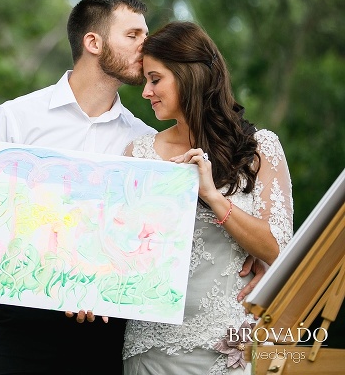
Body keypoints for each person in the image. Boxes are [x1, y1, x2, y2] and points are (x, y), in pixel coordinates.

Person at [0, 0, 266, 375]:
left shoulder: (147, 142)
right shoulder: (15, 118)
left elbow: (166, 238)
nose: (146, 44)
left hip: (103, 338)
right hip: (14, 328)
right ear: (93, 43)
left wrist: (249, 254)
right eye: (133, 34)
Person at [121, 21, 294, 375]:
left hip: (232, 348)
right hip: (154, 351)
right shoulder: (138, 155)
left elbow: (279, 249)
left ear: (189, 76)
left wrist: (213, 197)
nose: (146, 92)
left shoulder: (259, 148)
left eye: (155, 79)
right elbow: (121, 254)